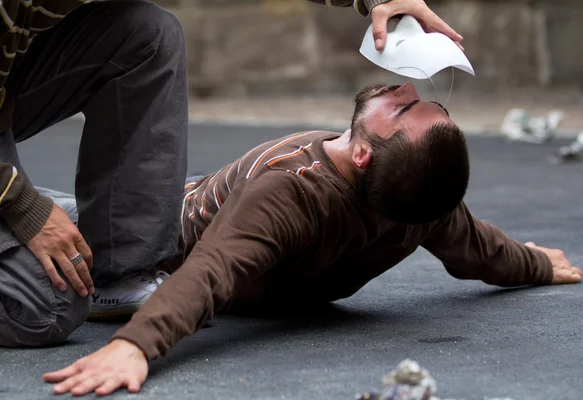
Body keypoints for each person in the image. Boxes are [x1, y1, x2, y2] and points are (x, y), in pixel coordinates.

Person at [43, 82, 582, 396]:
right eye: (418, 100)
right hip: (194, 204)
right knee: (51, 214)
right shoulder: (415, 205)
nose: (405, 86)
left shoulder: (296, 193)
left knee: (56, 227)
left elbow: (209, 273)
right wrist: (533, 263)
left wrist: (133, 346)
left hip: (155, 235)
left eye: (401, 107)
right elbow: (480, 249)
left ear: (366, 154)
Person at [0, 0, 462, 347]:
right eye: (405, 104)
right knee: (49, 305)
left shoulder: (416, 214)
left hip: (10, 76)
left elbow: (480, 245)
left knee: (148, 36)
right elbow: (211, 269)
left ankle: (118, 274)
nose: (405, 88)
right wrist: (21, 204)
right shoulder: (288, 187)